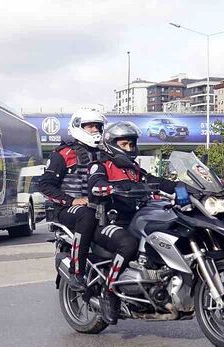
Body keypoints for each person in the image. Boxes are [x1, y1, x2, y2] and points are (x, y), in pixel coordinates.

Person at [87, 121, 190, 325]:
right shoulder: (100, 166)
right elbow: (95, 186)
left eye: (132, 145)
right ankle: (109, 293)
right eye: (125, 144)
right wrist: (114, 189)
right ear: (111, 144)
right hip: (108, 222)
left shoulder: (134, 169)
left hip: (135, 219)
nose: (129, 149)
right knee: (128, 244)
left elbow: (155, 181)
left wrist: (182, 186)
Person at [39, 109, 107, 291]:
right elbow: (45, 186)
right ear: (78, 127)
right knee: (87, 215)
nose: (95, 130)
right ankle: (77, 271)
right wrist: (71, 201)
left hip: (101, 206)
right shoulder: (62, 154)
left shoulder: (106, 153)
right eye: (90, 126)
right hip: (67, 209)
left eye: (97, 126)